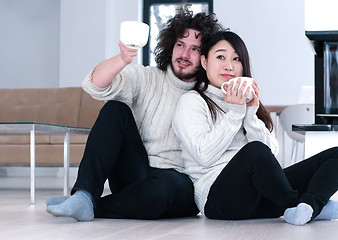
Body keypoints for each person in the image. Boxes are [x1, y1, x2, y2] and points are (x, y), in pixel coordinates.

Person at [45, 6, 223, 221]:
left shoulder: (210, 95)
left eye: (194, 49)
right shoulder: (148, 77)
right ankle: (84, 194)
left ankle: (92, 205)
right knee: (115, 108)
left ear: (205, 57)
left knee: (166, 187)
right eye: (180, 45)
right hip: (136, 174)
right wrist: (122, 59)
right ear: (171, 46)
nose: (184, 54)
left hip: (177, 184)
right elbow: (94, 85)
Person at [172, 31, 338, 226]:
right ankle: (298, 204)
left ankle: (309, 206)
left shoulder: (246, 103)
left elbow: (270, 156)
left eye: (236, 59)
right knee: (254, 151)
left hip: (262, 197)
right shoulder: (191, 101)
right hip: (220, 200)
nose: (229, 66)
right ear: (205, 62)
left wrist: (250, 112)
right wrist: (235, 113)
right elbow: (203, 155)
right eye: (221, 57)